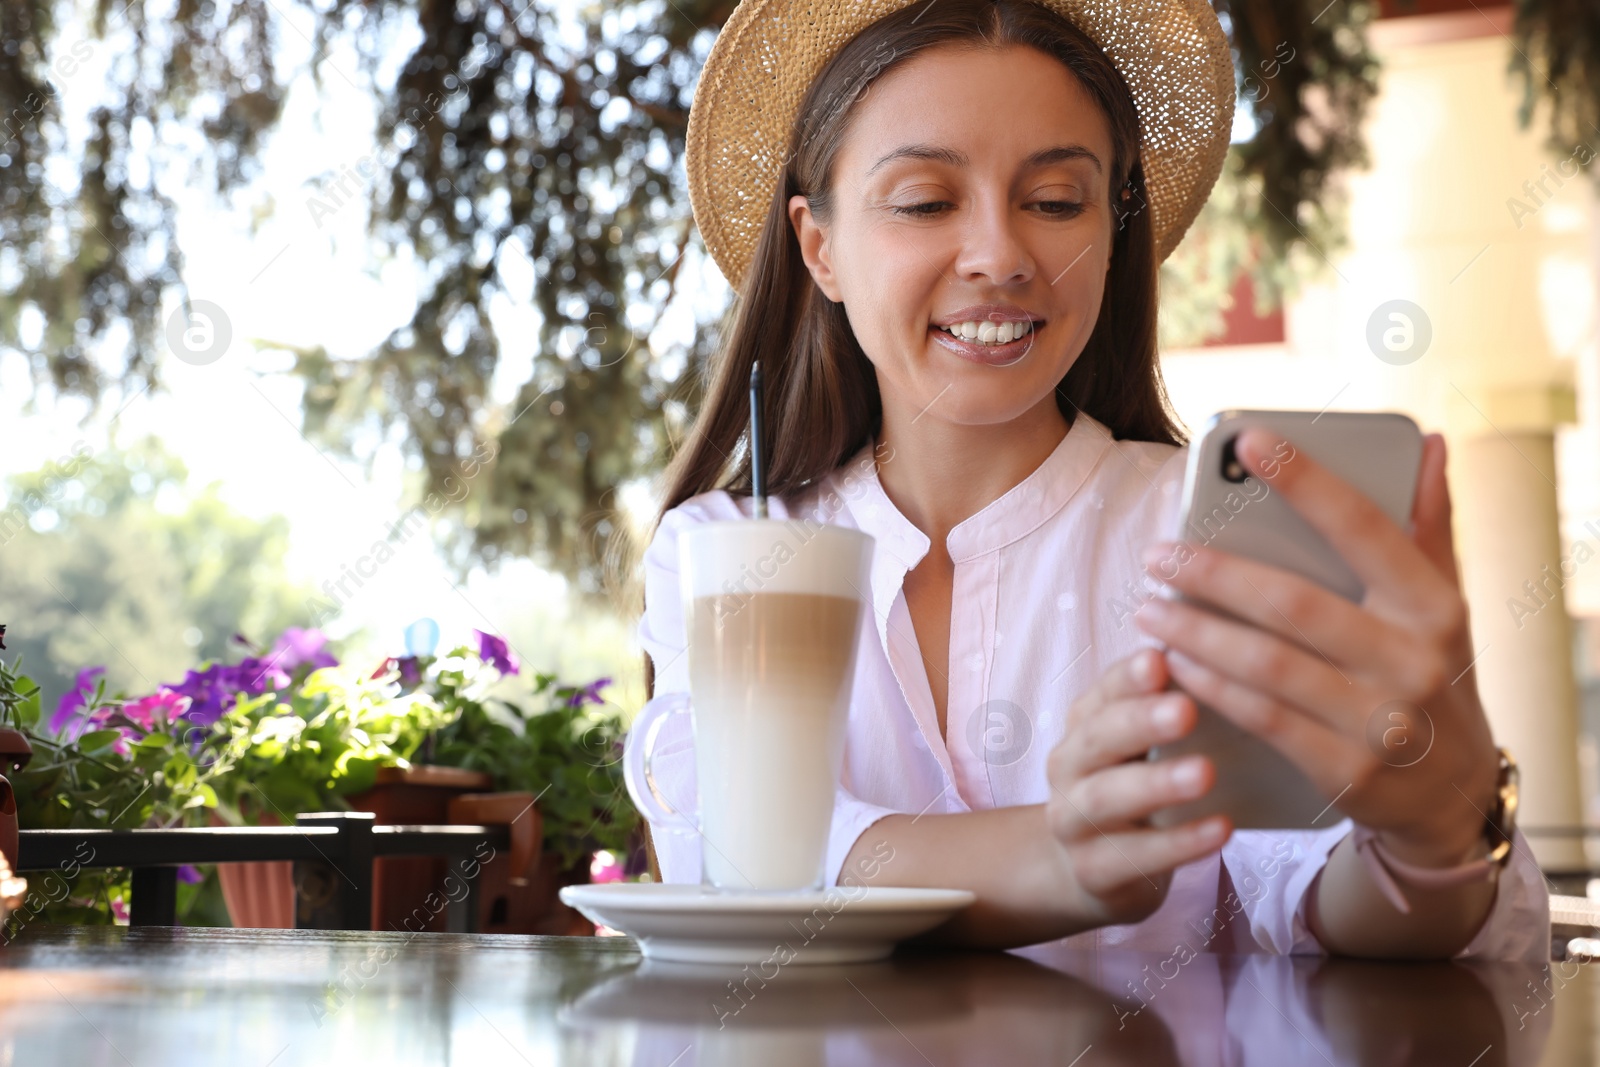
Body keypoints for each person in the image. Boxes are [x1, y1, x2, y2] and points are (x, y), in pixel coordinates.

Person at [632, 0, 1548, 961]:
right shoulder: (716, 551)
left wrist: (1432, 832)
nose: (1000, 256)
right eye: (925, 202)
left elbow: (1328, 897)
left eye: (1057, 201)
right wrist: (1056, 857)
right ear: (819, 247)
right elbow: (734, 857)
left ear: (1111, 233)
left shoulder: (1208, 531)